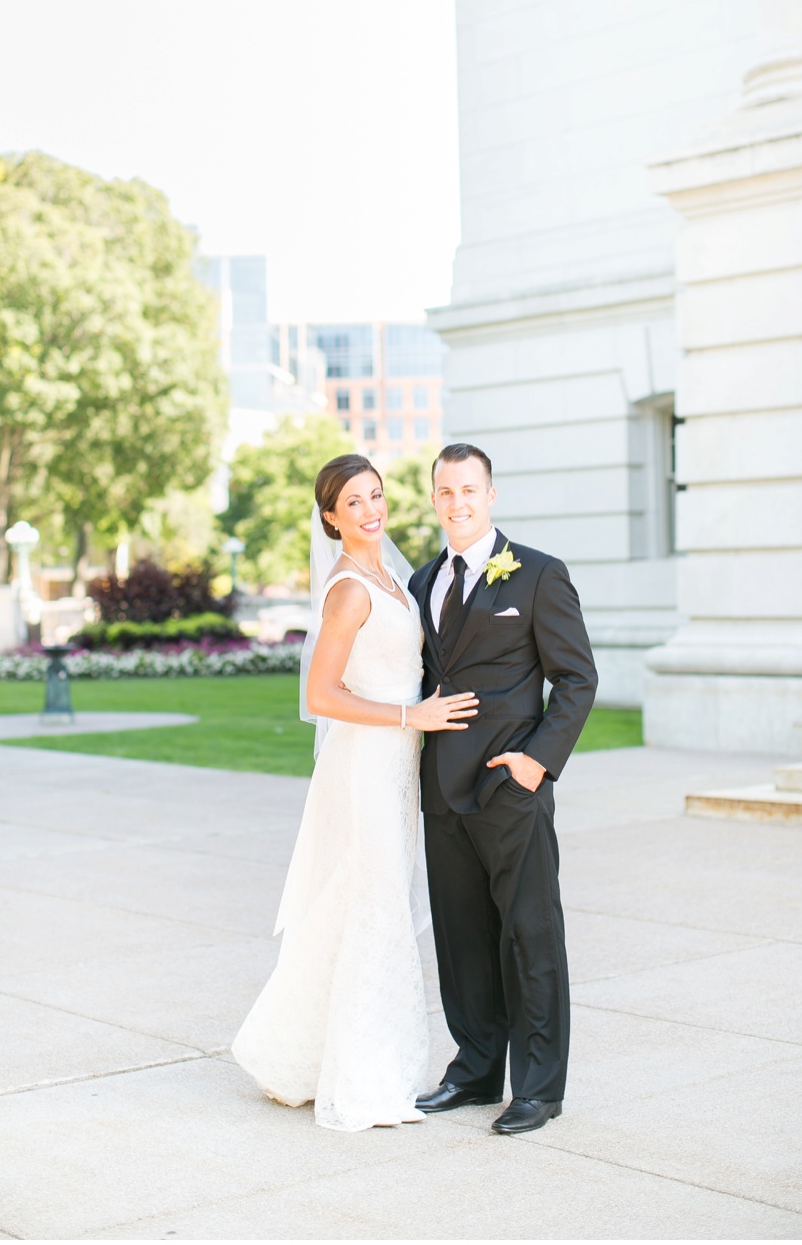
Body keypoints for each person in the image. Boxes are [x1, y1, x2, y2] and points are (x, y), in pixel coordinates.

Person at [232, 455, 480, 1131]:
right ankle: (364, 1075)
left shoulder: (389, 576)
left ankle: (294, 1052)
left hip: (396, 761)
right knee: (376, 906)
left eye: (376, 495)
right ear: (330, 517)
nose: (371, 509)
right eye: (354, 501)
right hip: (368, 761)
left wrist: (420, 709)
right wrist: (411, 716)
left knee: (365, 898)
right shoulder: (348, 588)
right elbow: (321, 694)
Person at [409, 443, 597, 1137]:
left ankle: (539, 1087)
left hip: (509, 789)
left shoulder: (540, 574)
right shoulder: (421, 579)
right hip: (440, 791)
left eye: (468, 489)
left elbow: (579, 677)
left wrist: (537, 762)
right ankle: (477, 1067)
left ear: (490, 495)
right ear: (434, 499)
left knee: (529, 934)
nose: (456, 501)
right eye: (445, 491)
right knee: (462, 942)